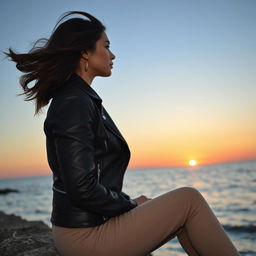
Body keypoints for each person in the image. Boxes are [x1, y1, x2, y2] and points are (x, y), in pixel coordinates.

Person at [5, 11, 240, 256]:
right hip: (83, 237)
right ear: (85, 52)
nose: (113, 54)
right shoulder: (74, 102)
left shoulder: (82, 98)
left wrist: (130, 203)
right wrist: (128, 204)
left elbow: (89, 180)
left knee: (179, 212)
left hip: (89, 225)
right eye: (106, 46)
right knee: (188, 199)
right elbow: (82, 188)